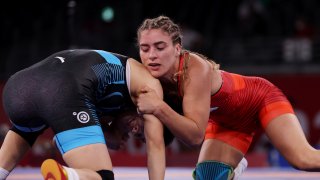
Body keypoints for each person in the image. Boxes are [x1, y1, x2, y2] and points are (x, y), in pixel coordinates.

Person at [135, 15, 320, 179]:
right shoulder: (146, 75)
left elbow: (195, 136)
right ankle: (233, 165)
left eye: (160, 47)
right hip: (225, 121)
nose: (152, 55)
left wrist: (159, 107)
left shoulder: (194, 69)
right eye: (144, 48)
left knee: (303, 159)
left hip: (259, 98)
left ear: (177, 49)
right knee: (206, 177)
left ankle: (232, 164)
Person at [0, 49, 166, 180]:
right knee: (102, 176)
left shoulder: (110, 99)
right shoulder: (149, 87)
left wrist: (110, 133)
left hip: (16, 90)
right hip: (62, 90)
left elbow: (73, 117)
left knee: (28, 129)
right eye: (145, 130)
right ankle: (68, 176)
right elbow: (156, 146)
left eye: (137, 137)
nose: (136, 131)